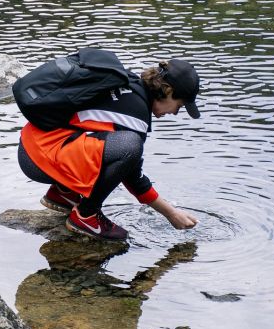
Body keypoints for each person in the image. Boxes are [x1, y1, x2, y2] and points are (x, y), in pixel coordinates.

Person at [17, 57, 201, 240]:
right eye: (180, 105)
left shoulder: (129, 82)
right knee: (130, 146)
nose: (175, 113)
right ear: (168, 90)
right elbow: (133, 176)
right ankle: (86, 215)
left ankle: (64, 193)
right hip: (38, 158)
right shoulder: (136, 116)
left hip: (33, 144)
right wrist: (171, 213)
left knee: (108, 146)